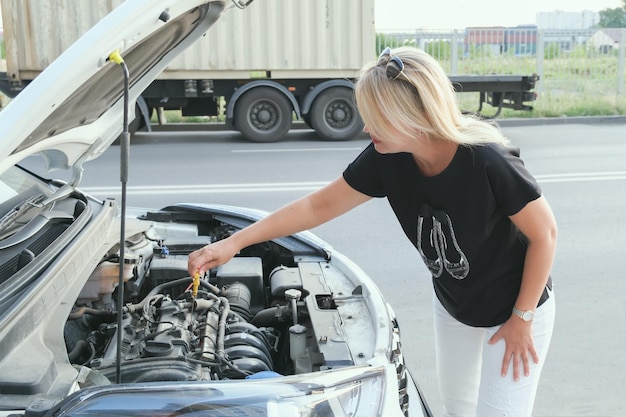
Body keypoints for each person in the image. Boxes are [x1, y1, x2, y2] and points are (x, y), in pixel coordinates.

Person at [187, 46, 557, 417]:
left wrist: (521, 319)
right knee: (458, 408)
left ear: (411, 116)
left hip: (517, 307)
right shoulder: (388, 158)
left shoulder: (487, 160)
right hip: (455, 303)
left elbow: (545, 236)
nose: (366, 128)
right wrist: (234, 243)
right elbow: (317, 206)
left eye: (376, 118)